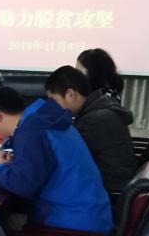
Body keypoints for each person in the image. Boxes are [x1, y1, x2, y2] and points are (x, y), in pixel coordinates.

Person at [0, 86, 112, 234]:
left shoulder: (32, 132)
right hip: (93, 215)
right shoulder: (41, 118)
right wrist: (14, 163)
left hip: (73, 227)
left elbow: (24, 186)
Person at [45, 65, 136, 193]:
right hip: (105, 184)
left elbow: (66, 159)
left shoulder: (96, 120)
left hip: (107, 190)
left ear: (71, 94)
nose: (52, 107)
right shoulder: (97, 109)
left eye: (54, 100)